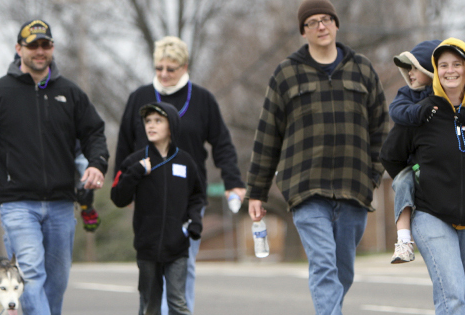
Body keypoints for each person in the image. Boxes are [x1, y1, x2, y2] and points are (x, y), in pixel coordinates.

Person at [0, 19, 109, 315]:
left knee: (57, 281)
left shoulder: (70, 93)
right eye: (33, 45)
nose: (40, 51)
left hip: (62, 203)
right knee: (30, 276)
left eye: (45, 45)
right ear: (19, 49)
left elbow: (94, 133)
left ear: (52, 48)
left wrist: (97, 165)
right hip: (18, 203)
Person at [245, 0, 388, 313]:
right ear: (303, 31)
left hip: (354, 187)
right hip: (306, 188)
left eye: (326, 20)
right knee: (323, 266)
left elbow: (382, 128)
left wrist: (373, 174)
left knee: (342, 271)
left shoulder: (362, 68)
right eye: (312, 23)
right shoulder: (286, 74)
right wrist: (257, 191)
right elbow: (268, 135)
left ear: (336, 25)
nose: (321, 27)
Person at [115, 35, 245, 313]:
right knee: (151, 268)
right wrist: (121, 183)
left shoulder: (202, 99)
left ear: (185, 67)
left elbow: (222, 142)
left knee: (182, 265)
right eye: (159, 68)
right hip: (148, 197)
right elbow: (125, 144)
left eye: (170, 69)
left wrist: (233, 182)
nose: (163, 74)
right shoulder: (140, 97)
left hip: (187, 197)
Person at [380, 38, 465, 314]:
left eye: (457, 64)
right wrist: (420, 180)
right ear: (435, 71)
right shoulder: (422, 113)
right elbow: (390, 155)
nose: (450, 71)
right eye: (443, 65)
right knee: (452, 297)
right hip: (431, 216)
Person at [112, 102, 204, 315]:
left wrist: (195, 222)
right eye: (148, 121)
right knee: (149, 306)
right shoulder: (135, 161)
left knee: (178, 303)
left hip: (178, 246)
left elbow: (197, 196)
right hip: (147, 246)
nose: (151, 126)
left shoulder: (185, 162)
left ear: (171, 126)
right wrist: (136, 172)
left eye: (158, 121)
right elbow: (118, 197)